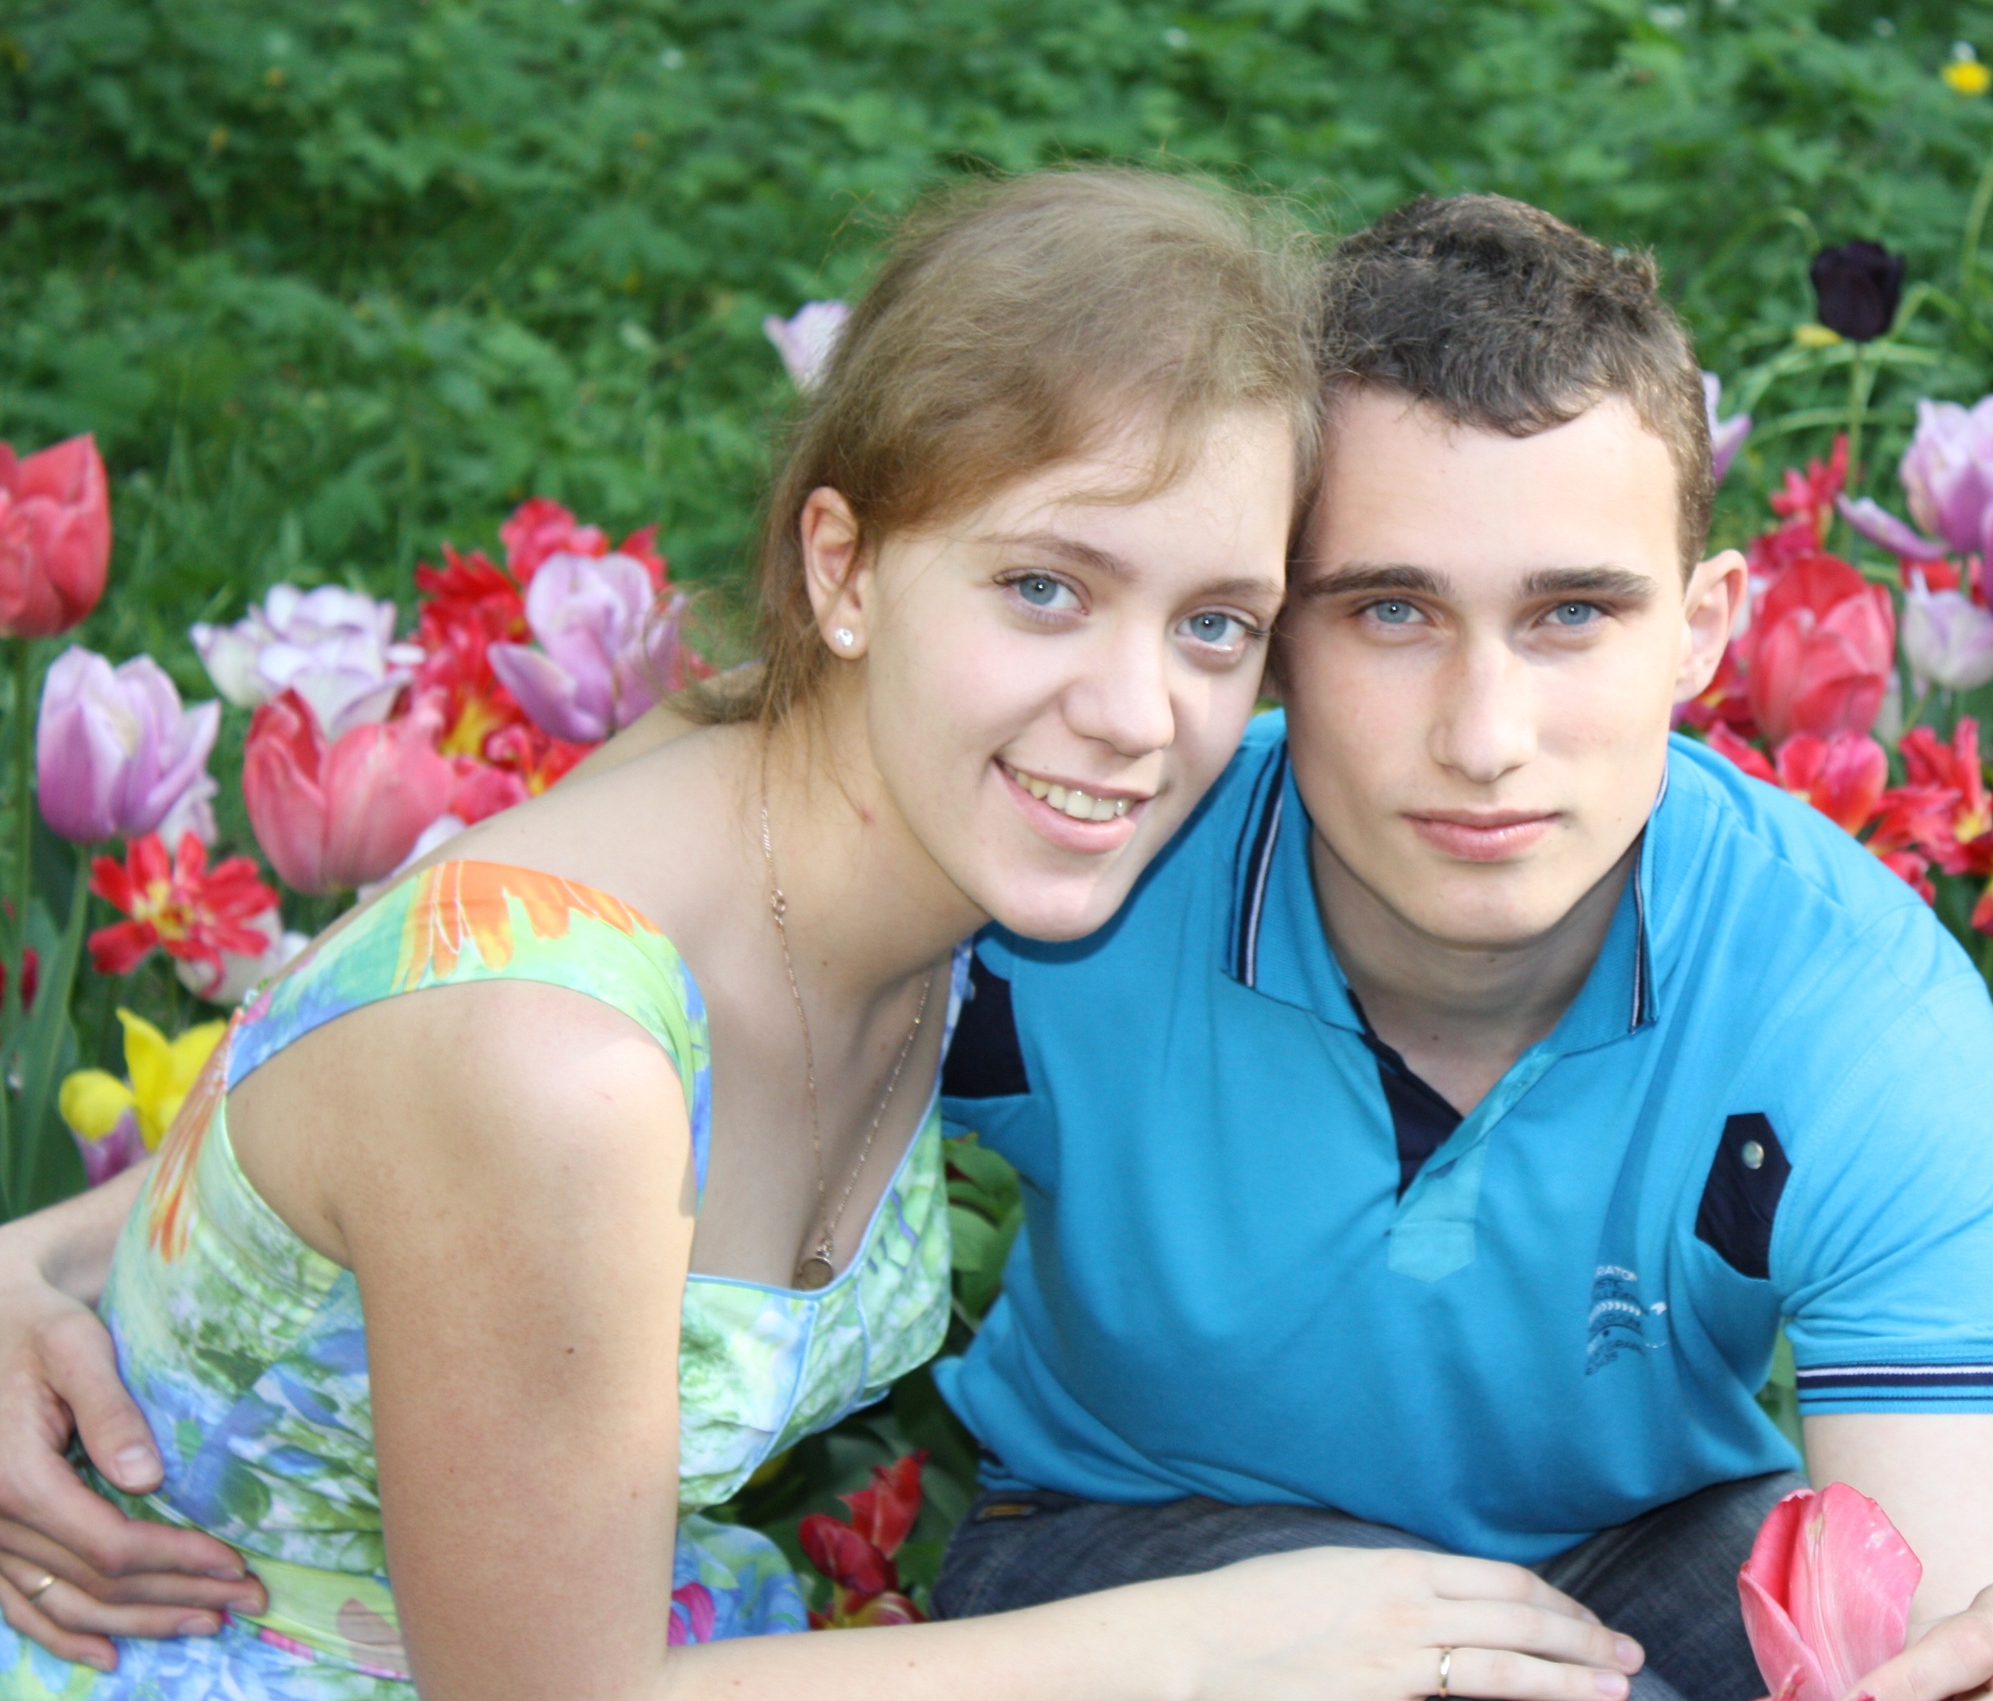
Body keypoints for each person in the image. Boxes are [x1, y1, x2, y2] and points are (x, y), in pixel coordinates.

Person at [0, 173, 1645, 1701]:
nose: (1139, 713)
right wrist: (1220, 1636)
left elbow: (344, 1148)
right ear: (845, 568)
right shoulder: (565, 1058)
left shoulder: (854, 805)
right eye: (1046, 587)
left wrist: (36, 1255)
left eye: (1214, 622)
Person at [917, 197, 1993, 1701]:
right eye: (1390, 611)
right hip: (1135, 1540)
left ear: (1701, 630)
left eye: (1573, 613)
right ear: (1272, 635)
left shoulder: (1849, 1010)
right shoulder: (1083, 884)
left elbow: (1969, 1619)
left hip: (1640, 1542)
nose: (1485, 739)